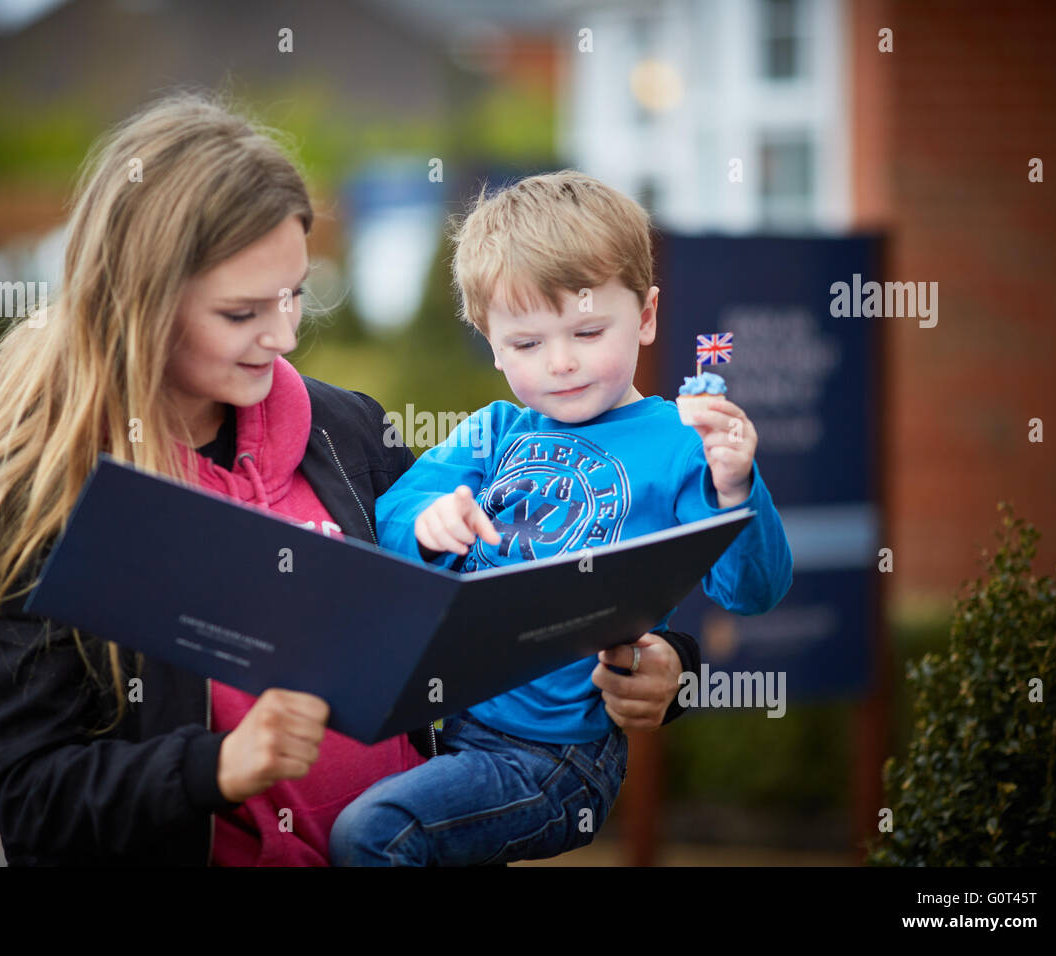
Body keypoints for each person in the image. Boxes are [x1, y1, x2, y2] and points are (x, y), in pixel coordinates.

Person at [0, 94, 701, 866]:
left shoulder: (345, 430)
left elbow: (508, 593)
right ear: (138, 305)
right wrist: (219, 765)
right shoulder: (33, 505)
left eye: (295, 297)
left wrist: (665, 662)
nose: (282, 336)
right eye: (242, 314)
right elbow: (28, 801)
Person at [329, 171, 794, 866]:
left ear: (645, 315)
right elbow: (389, 521)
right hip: (448, 725)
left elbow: (752, 591)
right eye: (526, 344)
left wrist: (735, 490)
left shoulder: (680, 443)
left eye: (587, 329)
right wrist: (430, 524)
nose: (562, 362)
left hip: (555, 755)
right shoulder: (492, 433)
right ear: (490, 342)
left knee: (373, 834)